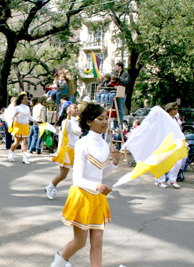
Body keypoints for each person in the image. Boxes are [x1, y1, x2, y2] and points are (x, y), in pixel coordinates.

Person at [50, 103, 121, 267]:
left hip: (97, 198)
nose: (105, 122)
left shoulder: (104, 144)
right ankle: (57, 264)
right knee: (80, 242)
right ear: (89, 121)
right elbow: (77, 179)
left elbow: (100, 174)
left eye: (106, 119)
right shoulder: (83, 143)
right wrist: (97, 186)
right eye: (100, 119)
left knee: (97, 243)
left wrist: (115, 163)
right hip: (82, 195)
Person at [46, 104, 81, 200]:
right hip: (67, 150)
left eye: (77, 108)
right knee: (63, 175)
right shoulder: (66, 121)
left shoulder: (78, 123)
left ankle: (78, 193)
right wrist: (69, 117)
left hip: (76, 150)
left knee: (79, 173)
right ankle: (50, 187)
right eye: (74, 108)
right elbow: (68, 131)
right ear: (68, 110)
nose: (77, 109)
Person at [154, 102, 182, 188]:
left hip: (174, 142)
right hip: (163, 142)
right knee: (162, 161)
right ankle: (159, 180)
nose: (176, 111)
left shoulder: (177, 119)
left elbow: (179, 130)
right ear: (169, 110)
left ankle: (172, 179)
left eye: (177, 109)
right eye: (174, 109)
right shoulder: (164, 119)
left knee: (178, 161)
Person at [7, 94, 38, 164]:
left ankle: (24, 158)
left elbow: (28, 115)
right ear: (21, 100)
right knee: (16, 142)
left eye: (27, 99)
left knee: (24, 143)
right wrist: (15, 115)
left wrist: (34, 120)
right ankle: (10, 153)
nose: (26, 100)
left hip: (25, 126)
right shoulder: (17, 108)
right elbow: (10, 117)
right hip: (18, 126)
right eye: (25, 99)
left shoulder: (27, 107)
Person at [115, 62, 129, 127]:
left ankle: (120, 125)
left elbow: (126, 82)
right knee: (115, 109)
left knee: (120, 109)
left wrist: (119, 79)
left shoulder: (125, 74)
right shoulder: (116, 73)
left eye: (116, 66)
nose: (115, 68)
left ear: (120, 67)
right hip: (115, 92)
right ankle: (115, 124)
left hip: (122, 93)